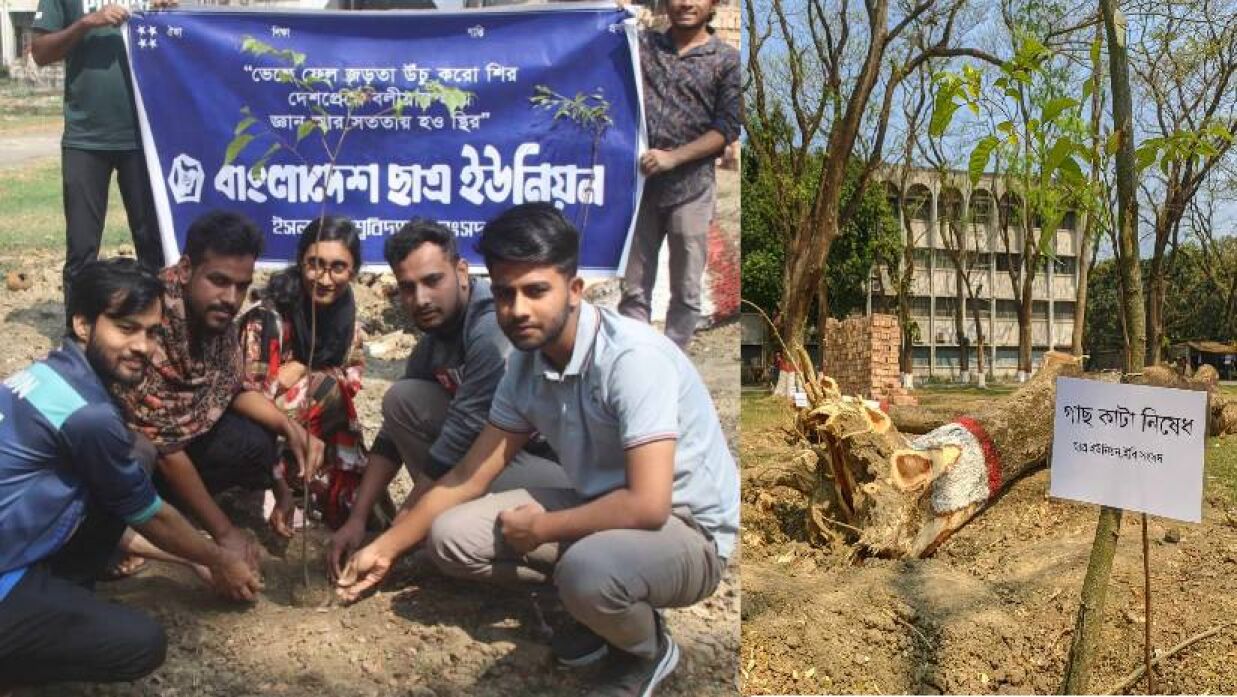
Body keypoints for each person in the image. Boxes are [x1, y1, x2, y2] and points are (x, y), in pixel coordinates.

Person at [337, 204, 739, 697]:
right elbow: (470, 474)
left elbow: (649, 505)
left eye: (535, 291)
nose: (518, 309)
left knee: (587, 571)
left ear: (574, 290)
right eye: (505, 293)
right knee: (449, 538)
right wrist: (386, 548)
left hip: (684, 530)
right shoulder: (526, 366)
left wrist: (543, 528)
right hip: (600, 506)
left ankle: (645, 649)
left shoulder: (631, 360)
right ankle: (586, 603)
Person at [0, 258, 261, 692]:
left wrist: (189, 557)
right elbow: (150, 516)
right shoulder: (89, 416)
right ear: (83, 325)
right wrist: (217, 558)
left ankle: (59, 594)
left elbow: (99, 505)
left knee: (136, 452)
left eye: (153, 331)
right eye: (125, 327)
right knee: (140, 644)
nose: (143, 346)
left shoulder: (43, 375)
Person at [326, 218, 566, 580]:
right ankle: (439, 524)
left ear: (462, 271)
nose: (420, 299)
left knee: (446, 538)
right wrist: (358, 518)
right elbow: (393, 433)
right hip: (496, 459)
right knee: (402, 399)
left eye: (433, 281)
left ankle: (566, 562)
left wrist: (394, 537)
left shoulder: (491, 329)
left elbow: (456, 447)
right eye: (408, 288)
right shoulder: (433, 341)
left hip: (559, 469)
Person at [111, 210, 323, 569]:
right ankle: (128, 534)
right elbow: (166, 445)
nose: (231, 297)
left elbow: (234, 387)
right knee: (141, 454)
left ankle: (182, 509)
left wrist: (290, 430)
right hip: (131, 452)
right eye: (219, 280)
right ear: (185, 268)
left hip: (179, 443)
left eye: (241, 286)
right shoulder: (151, 321)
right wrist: (224, 533)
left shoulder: (213, 316)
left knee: (259, 436)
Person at [31, 0, 171, 328]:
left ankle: (156, 331)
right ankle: (77, 337)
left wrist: (171, 14)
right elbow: (39, 52)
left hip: (145, 137)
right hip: (86, 139)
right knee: (81, 249)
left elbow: (186, 41)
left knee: (154, 245)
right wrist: (87, 22)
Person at [617, 0, 740, 349]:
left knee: (685, 290)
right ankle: (633, 361)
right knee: (634, 288)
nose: (686, 3)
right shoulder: (643, 47)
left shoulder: (725, 61)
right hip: (640, 189)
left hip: (691, 190)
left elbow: (725, 129)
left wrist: (674, 158)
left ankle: (673, 361)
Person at [239, 216, 370, 536]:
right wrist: (289, 380)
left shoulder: (346, 318)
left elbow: (351, 376)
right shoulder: (267, 318)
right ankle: (267, 485)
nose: (325, 278)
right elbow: (245, 394)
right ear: (300, 262)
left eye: (338, 267)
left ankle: (338, 500)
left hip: (315, 426)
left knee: (332, 394)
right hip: (255, 429)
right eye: (315, 265)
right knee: (325, 387)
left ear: (352, 272)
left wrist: (301, 368)